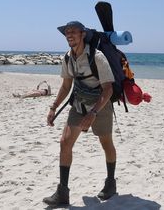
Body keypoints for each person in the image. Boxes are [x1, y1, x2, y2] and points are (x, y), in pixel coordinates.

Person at [43, 21, 117, 206]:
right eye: (67, 32)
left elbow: (108, 90)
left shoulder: (97, 57)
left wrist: (93, 113)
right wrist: (53, 107)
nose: (69, 35)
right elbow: (66, 86)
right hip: (78, 104)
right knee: (65, 142)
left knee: (106, 143)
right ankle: (62, 192)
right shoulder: (68, 58)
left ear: (83, 34)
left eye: (73, 32)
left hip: (100, 106)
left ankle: (110, 183)